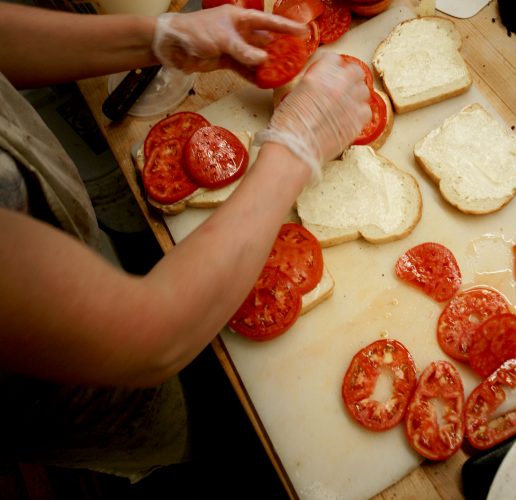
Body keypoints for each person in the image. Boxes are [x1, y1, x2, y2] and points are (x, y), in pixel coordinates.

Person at [0, 1, 370, 483]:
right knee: (209, 443)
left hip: (58, 261)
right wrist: (296, 149)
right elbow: (148, 338)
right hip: (75, 392)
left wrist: (161, 38)